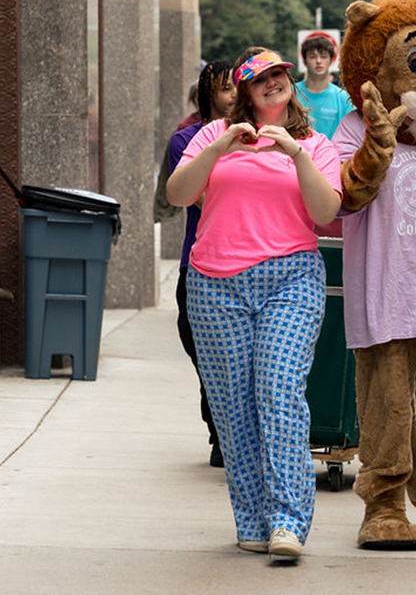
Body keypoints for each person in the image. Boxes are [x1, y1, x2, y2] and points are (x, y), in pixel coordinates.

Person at [166, 50, 342, 561]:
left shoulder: (315, 144)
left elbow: (327, 212)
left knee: (279, 391)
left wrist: (297, 155)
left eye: (278, 76)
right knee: (233, 408)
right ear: (243, 91)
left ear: (290, 83)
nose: (271, 84)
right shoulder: (211, 137)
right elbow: (178, 195)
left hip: (290, 279)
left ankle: (289, 522)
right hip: (214, 284)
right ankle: (253, 518)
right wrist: (220, 144)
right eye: (258, 80)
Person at [166, 60, 238, 468]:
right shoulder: (187, 140)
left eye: (236, 88)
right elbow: (200, 196)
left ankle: (228, 438)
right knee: (205, 355)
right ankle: (219, 427)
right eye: (225, 88)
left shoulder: (258, 138)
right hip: (198, 264)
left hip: (246, 264)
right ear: (208, 91)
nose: (232, 95)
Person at [295, 32, 353, 138]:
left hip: (333, 153)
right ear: (304, 61)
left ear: (331, 60)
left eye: (323, 57)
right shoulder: (292, 93)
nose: (318, 61)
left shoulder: (343, 98)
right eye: (312, 57)